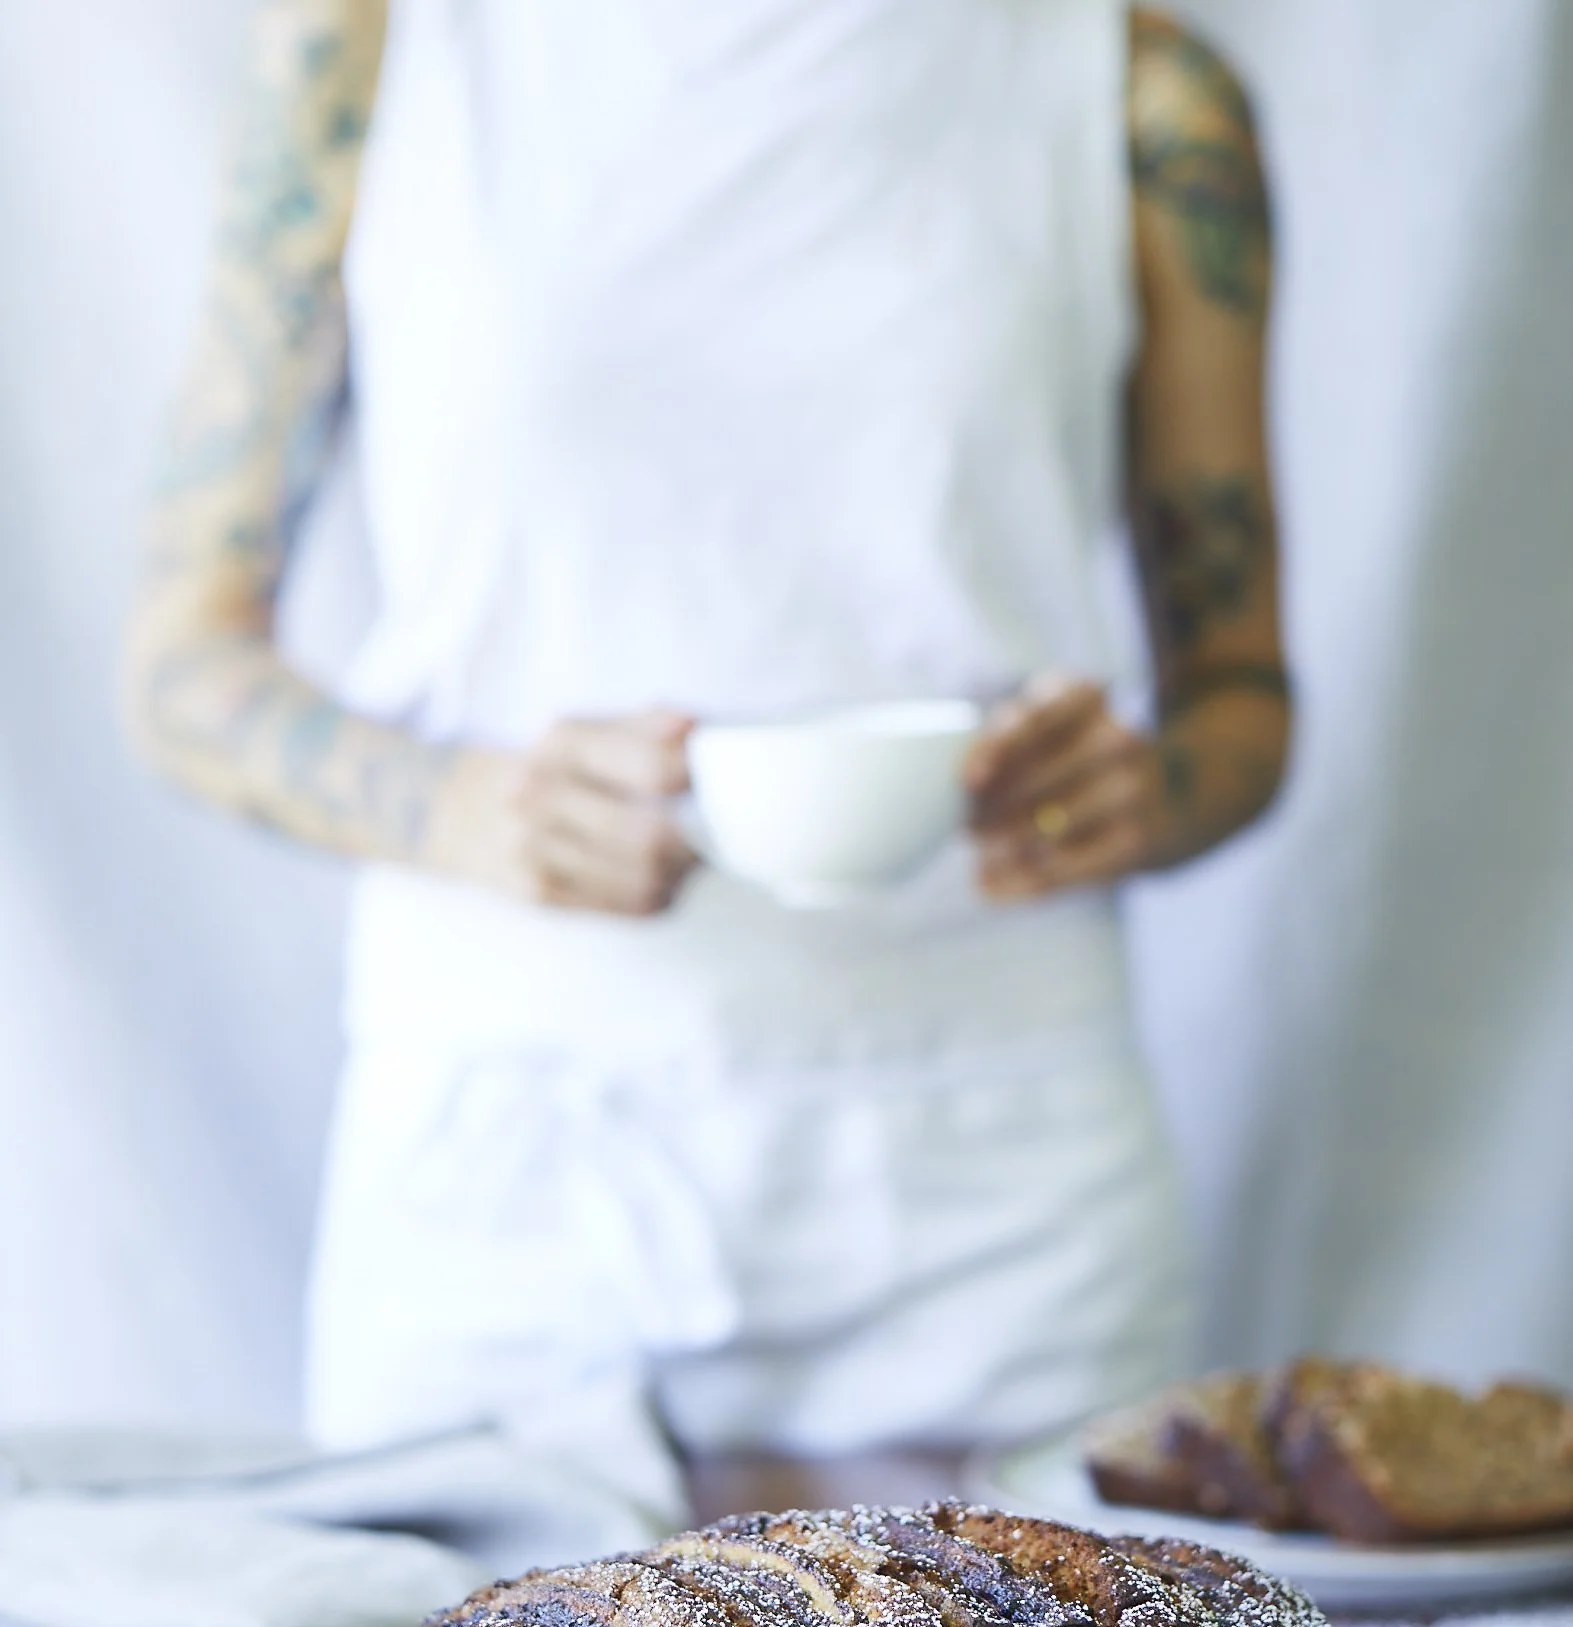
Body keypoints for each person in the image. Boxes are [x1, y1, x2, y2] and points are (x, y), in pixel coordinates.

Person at [124, 0, 1288, 1544]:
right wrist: (464, 808)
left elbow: (1241, 699)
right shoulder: (379, 50)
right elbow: (181, 662)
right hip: (502, 1177)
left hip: (1011, 1198)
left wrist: (1150, 786)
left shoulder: (1138, 91)